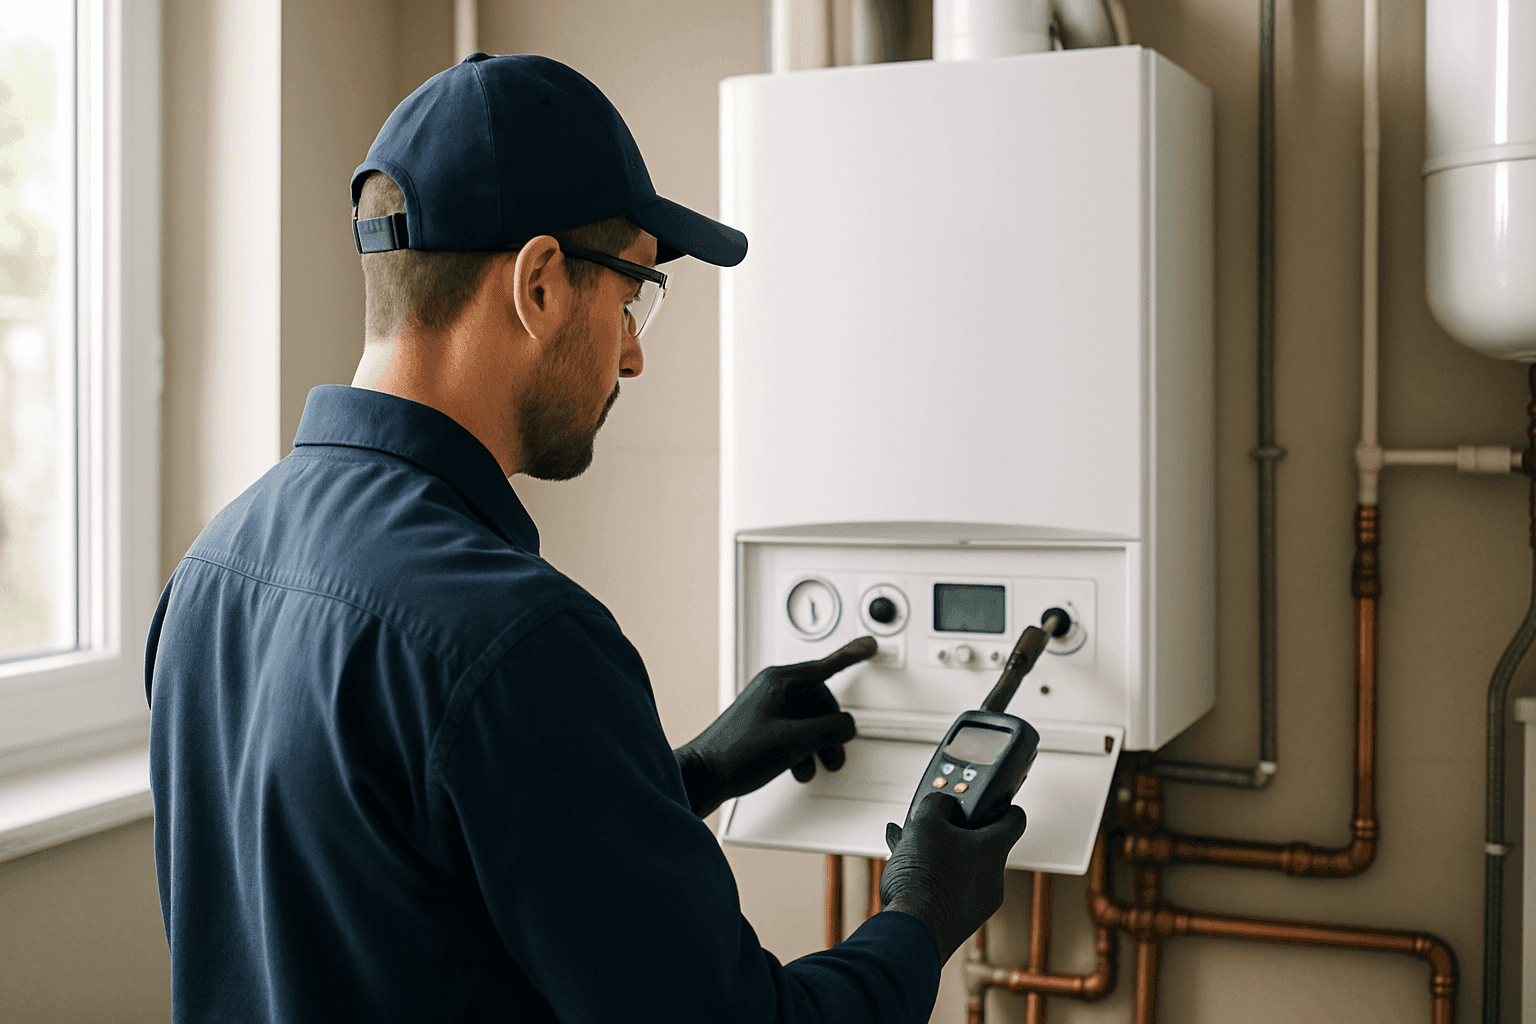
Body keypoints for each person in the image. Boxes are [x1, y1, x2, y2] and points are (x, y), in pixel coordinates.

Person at [145, 53, 1026, 1023]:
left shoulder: (209, 572)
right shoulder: (515, 640)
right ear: (541, 285)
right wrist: (920, 910)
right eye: (634, 293)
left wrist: (685, 775)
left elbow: (406, 888)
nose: (636, 351)